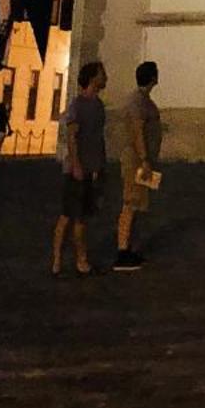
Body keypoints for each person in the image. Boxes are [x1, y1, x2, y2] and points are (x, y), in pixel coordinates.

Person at [51, 60, 107, 277]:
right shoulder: (78, 104)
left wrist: (99, 166)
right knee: (71, 215)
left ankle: (73, 258)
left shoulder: (99, 105)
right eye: (102, 74)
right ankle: (68, 258)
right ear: (93, 78)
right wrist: (75, 164)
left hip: (91, 167)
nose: (106, 78)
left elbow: (98, 139)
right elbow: (72, 137)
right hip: (77, 169)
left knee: (78, 216)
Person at [114, 60, 162, 270]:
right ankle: (122, 252)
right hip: (136, 161)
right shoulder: (137, 102)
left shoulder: (142, 100)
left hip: (143, 160)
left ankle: (130, 249)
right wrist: (144, 159)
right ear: (153, 77)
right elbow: (137, 131)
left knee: (138, 203)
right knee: (131, 203)